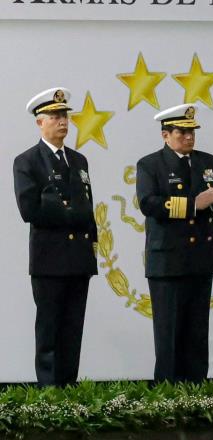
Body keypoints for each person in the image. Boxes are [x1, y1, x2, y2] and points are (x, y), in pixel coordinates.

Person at [136, 103, 213, 383]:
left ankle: (196, 390)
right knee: (169, 333)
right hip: (168, 260)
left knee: (197, 331)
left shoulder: (206, 161)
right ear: (165, 135)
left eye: (192, 132)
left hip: (201, 257)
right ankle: (168, 393)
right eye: (182, 132)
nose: (189, 137)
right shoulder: (150, 164)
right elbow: (149, 203)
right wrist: (195, 204)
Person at [13, 87, 98, 386]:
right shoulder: (27, 161)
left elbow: (87, 209)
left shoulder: (79, 160)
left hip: (79, 259)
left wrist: (69, 213)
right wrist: (69, 212)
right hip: (49, 260)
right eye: (55, 116)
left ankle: (69, 391)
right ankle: (49, 395)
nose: (62, 121)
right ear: (40, 122)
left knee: (73, 331)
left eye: (64, 115)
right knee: (49, 331)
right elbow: (30, 209)